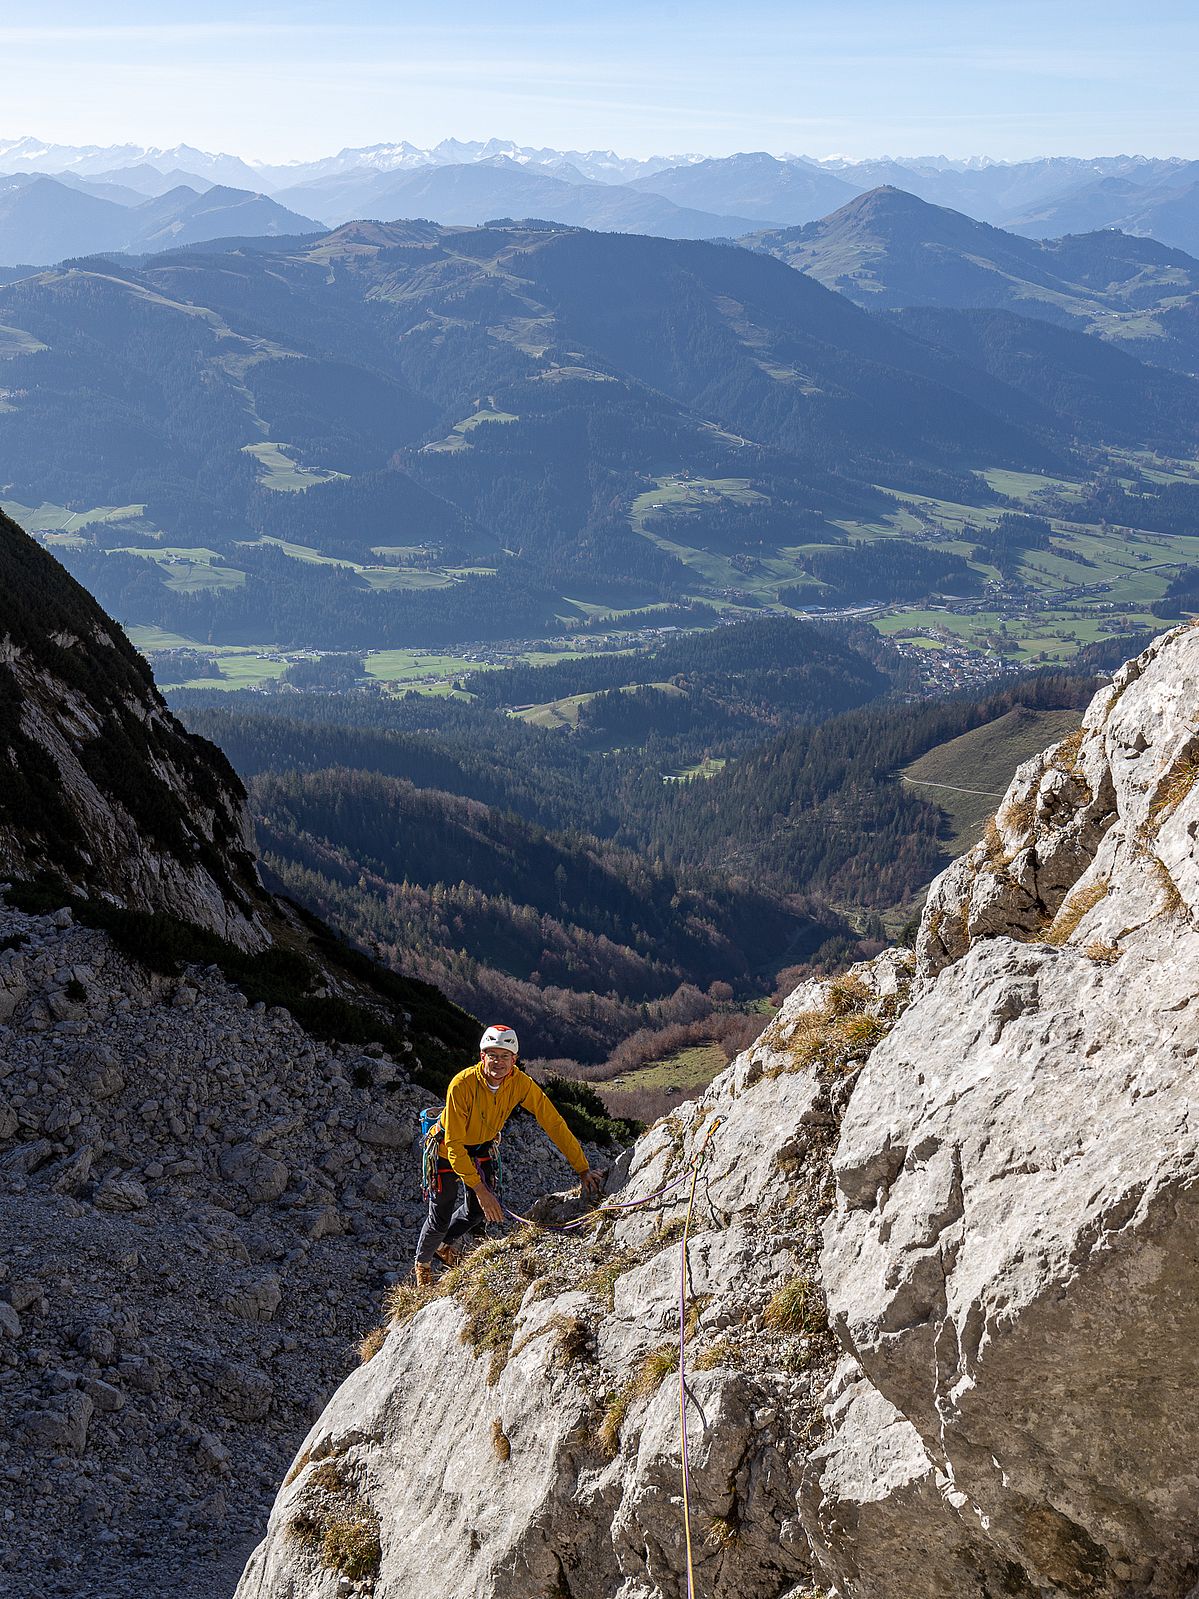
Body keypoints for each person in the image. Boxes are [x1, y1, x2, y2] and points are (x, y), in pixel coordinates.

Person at [414, 1024, 604, 1285]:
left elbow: (553, 1122)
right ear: (482, 1057)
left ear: (515, 1060)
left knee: (477, 1212)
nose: (499, 1062)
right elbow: (455, 1145)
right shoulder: (462, 1084)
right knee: (441, 1215)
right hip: (446, 1151)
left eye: (505, 1056)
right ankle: (423, 1264)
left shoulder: (520, 1084)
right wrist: (481, 1189)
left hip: (480, 1148)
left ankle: (443, 1245)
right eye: (493, 1055)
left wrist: (582, 1168)